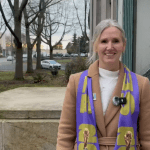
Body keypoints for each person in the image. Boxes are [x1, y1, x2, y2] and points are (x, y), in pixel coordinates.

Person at [56, 19, 150, 150]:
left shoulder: (141, 85)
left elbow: (147, 136)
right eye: (104, 41)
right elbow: (66, 134)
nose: (110, 47)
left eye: (116, 41)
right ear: (95, 45)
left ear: (124, 45)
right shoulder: (76, 82)